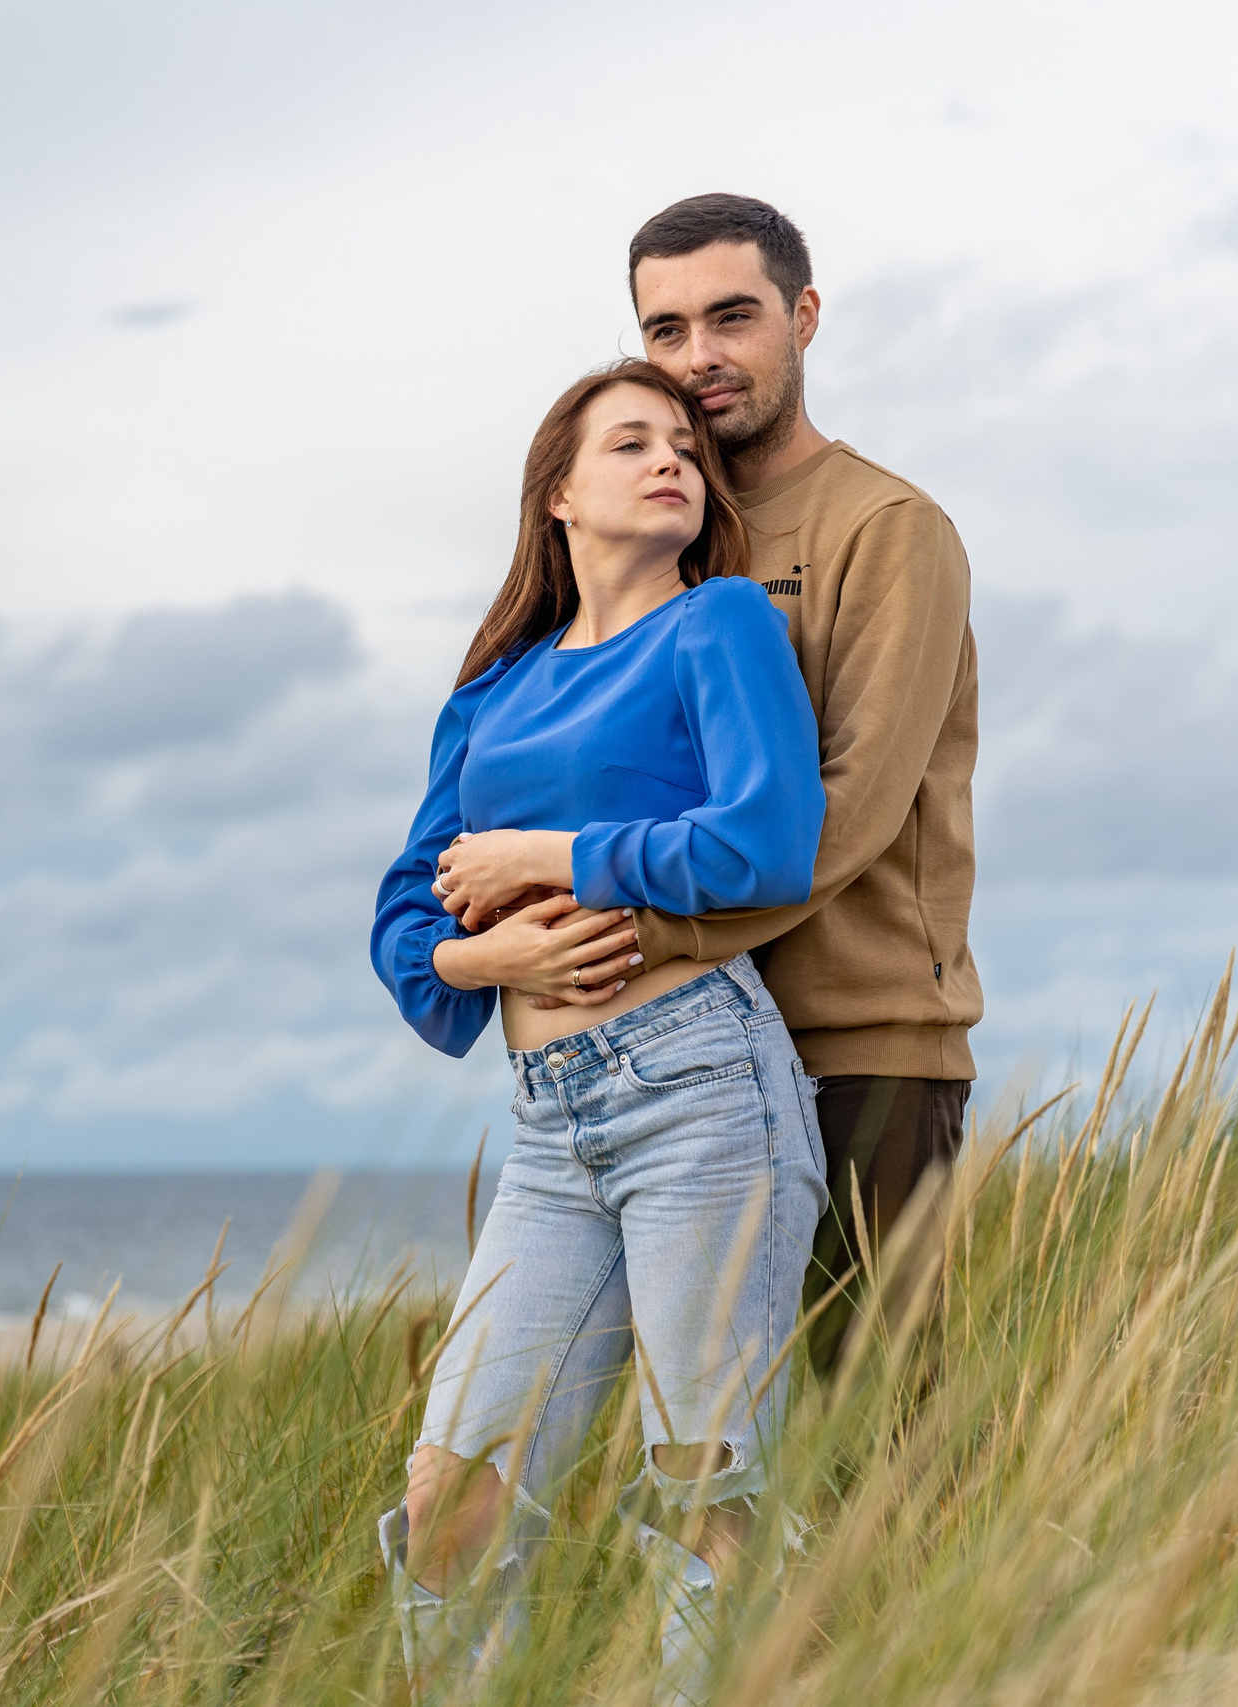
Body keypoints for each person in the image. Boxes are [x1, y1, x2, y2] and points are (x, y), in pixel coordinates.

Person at [370, 359, 828, 1699]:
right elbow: (407, 913)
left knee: (709, 1493)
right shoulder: (491, 693)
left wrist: (552, 851)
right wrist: (486, 949)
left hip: (702, 1087)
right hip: (550, 1127)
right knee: (449, 1496)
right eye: (632, 441)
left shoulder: (720, 626)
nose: (673, 457)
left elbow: (768, 838)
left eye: (685, 442)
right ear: (559, 492)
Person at [600, 194, 984, 1368]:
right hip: (671, 1049)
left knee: (866, 1438)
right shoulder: (653, 532)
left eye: (732, 317)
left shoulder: (889, 527)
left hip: (855, 1047)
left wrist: (645, 939)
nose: (699, 357)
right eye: (665, 331)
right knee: (710, 1444)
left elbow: (857, 802)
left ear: (804, 317)